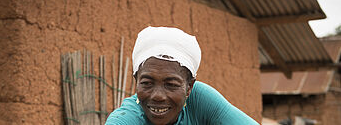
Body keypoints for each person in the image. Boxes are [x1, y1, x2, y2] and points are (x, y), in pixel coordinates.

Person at [106, 26, 259, 125]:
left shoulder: (200, 100)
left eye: (171, 84)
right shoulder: (124, 120)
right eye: (147, 83)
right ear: (136, 81)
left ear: (189, 87)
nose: (158, 96)